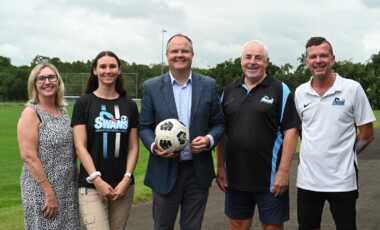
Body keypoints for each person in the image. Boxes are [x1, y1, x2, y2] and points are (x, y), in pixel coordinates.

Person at [139, 34, 224, 230]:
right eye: (174, 51)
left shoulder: (209, 85)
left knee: (192, 227)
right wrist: (155, 146)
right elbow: (144, 127)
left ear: (192, 54)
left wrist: (209, 140)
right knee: (162, 226)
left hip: (197, 171)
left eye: (184, 51)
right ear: (167, 55)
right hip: (164, 169)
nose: (180, 55)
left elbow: (219, 123)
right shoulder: (151, 87)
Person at [216, 40, 299, 230]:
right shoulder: (229, 91)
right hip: (236, 178)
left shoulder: (280, 90)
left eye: (258, 58)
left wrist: (283, 172)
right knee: (237, 225)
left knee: (272, 227)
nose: (252, 62)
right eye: (248, 57)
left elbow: (291, 131)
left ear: (267, 62)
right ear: (241, 61)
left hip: (270, 179)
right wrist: (220, 167)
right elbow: (222, 133)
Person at [294, 37, 376, 230]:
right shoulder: (300, 92)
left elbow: (367, 133)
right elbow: (300, 131)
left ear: (333, 59)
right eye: (313, 56)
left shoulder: (352, 89)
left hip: (342, 181)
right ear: (307, 62)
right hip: (308, 181)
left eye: (323, 55)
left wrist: (347, 154)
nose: (318, 60)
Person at [71, 51, 139, 230]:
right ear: (95, 70)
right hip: (91, 186)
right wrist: (97, 180)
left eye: (112, 66)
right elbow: (80, 145)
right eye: (102, 66)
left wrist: (127, 178)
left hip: (122, 187)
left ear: (119, 71)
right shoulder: (84, 103)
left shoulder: (130, 105)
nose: (107, 70)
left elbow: (133, 147)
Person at [17, 62, 80, 229]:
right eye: (41, 78)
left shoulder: (63, 112)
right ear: (34, 84)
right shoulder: (31, 113)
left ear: (58, 81)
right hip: (42, 190)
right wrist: (48, 192)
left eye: (51, 77)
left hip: (67, 187)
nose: (47, 82)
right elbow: (28, 156)